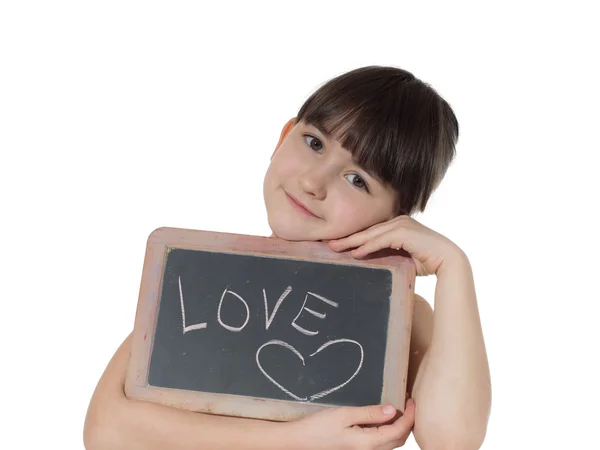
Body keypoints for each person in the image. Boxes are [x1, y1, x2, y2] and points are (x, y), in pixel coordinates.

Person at [84, 65, 491, 450]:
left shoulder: (397, 315)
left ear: (396, 219)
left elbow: (451, 439)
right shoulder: (200, 276)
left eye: (357, 180)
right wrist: (296, 439)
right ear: (283, 137)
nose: (313, 182)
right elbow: (107, 430)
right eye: (314, 143)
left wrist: (453, 266)